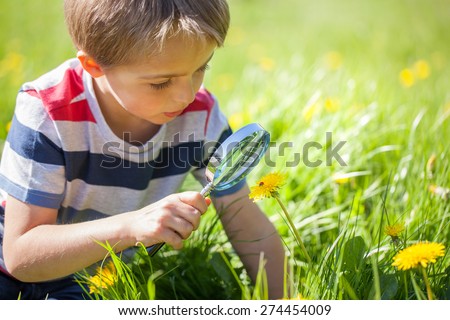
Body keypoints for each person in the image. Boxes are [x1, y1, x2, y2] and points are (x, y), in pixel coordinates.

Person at [0, 0, 285, 299]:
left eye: (201, 67)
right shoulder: (50, 112)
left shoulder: (200, 116)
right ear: (94, 65)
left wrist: (287, 303)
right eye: (161, 83)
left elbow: (249, 225)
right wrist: (130, 226)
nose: (187, 95)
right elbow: (21, 257)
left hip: (94, 283)